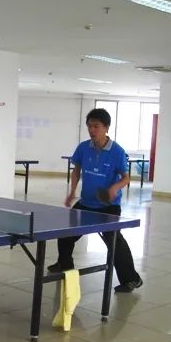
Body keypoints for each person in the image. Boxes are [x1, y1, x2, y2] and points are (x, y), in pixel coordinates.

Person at [47, 108, 143, 293]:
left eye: (96, 126)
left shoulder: (117, 151)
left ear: (106, 127)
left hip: (108, 206)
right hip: (86, 203)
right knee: (65, 234)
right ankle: (65, 265)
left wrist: (114, 188)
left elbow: (126, 178)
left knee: (114, 242)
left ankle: (132, 279)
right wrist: (72, 191)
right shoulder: (83, 147)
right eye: (89, 126)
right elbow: (76, 170)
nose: (92, 130)